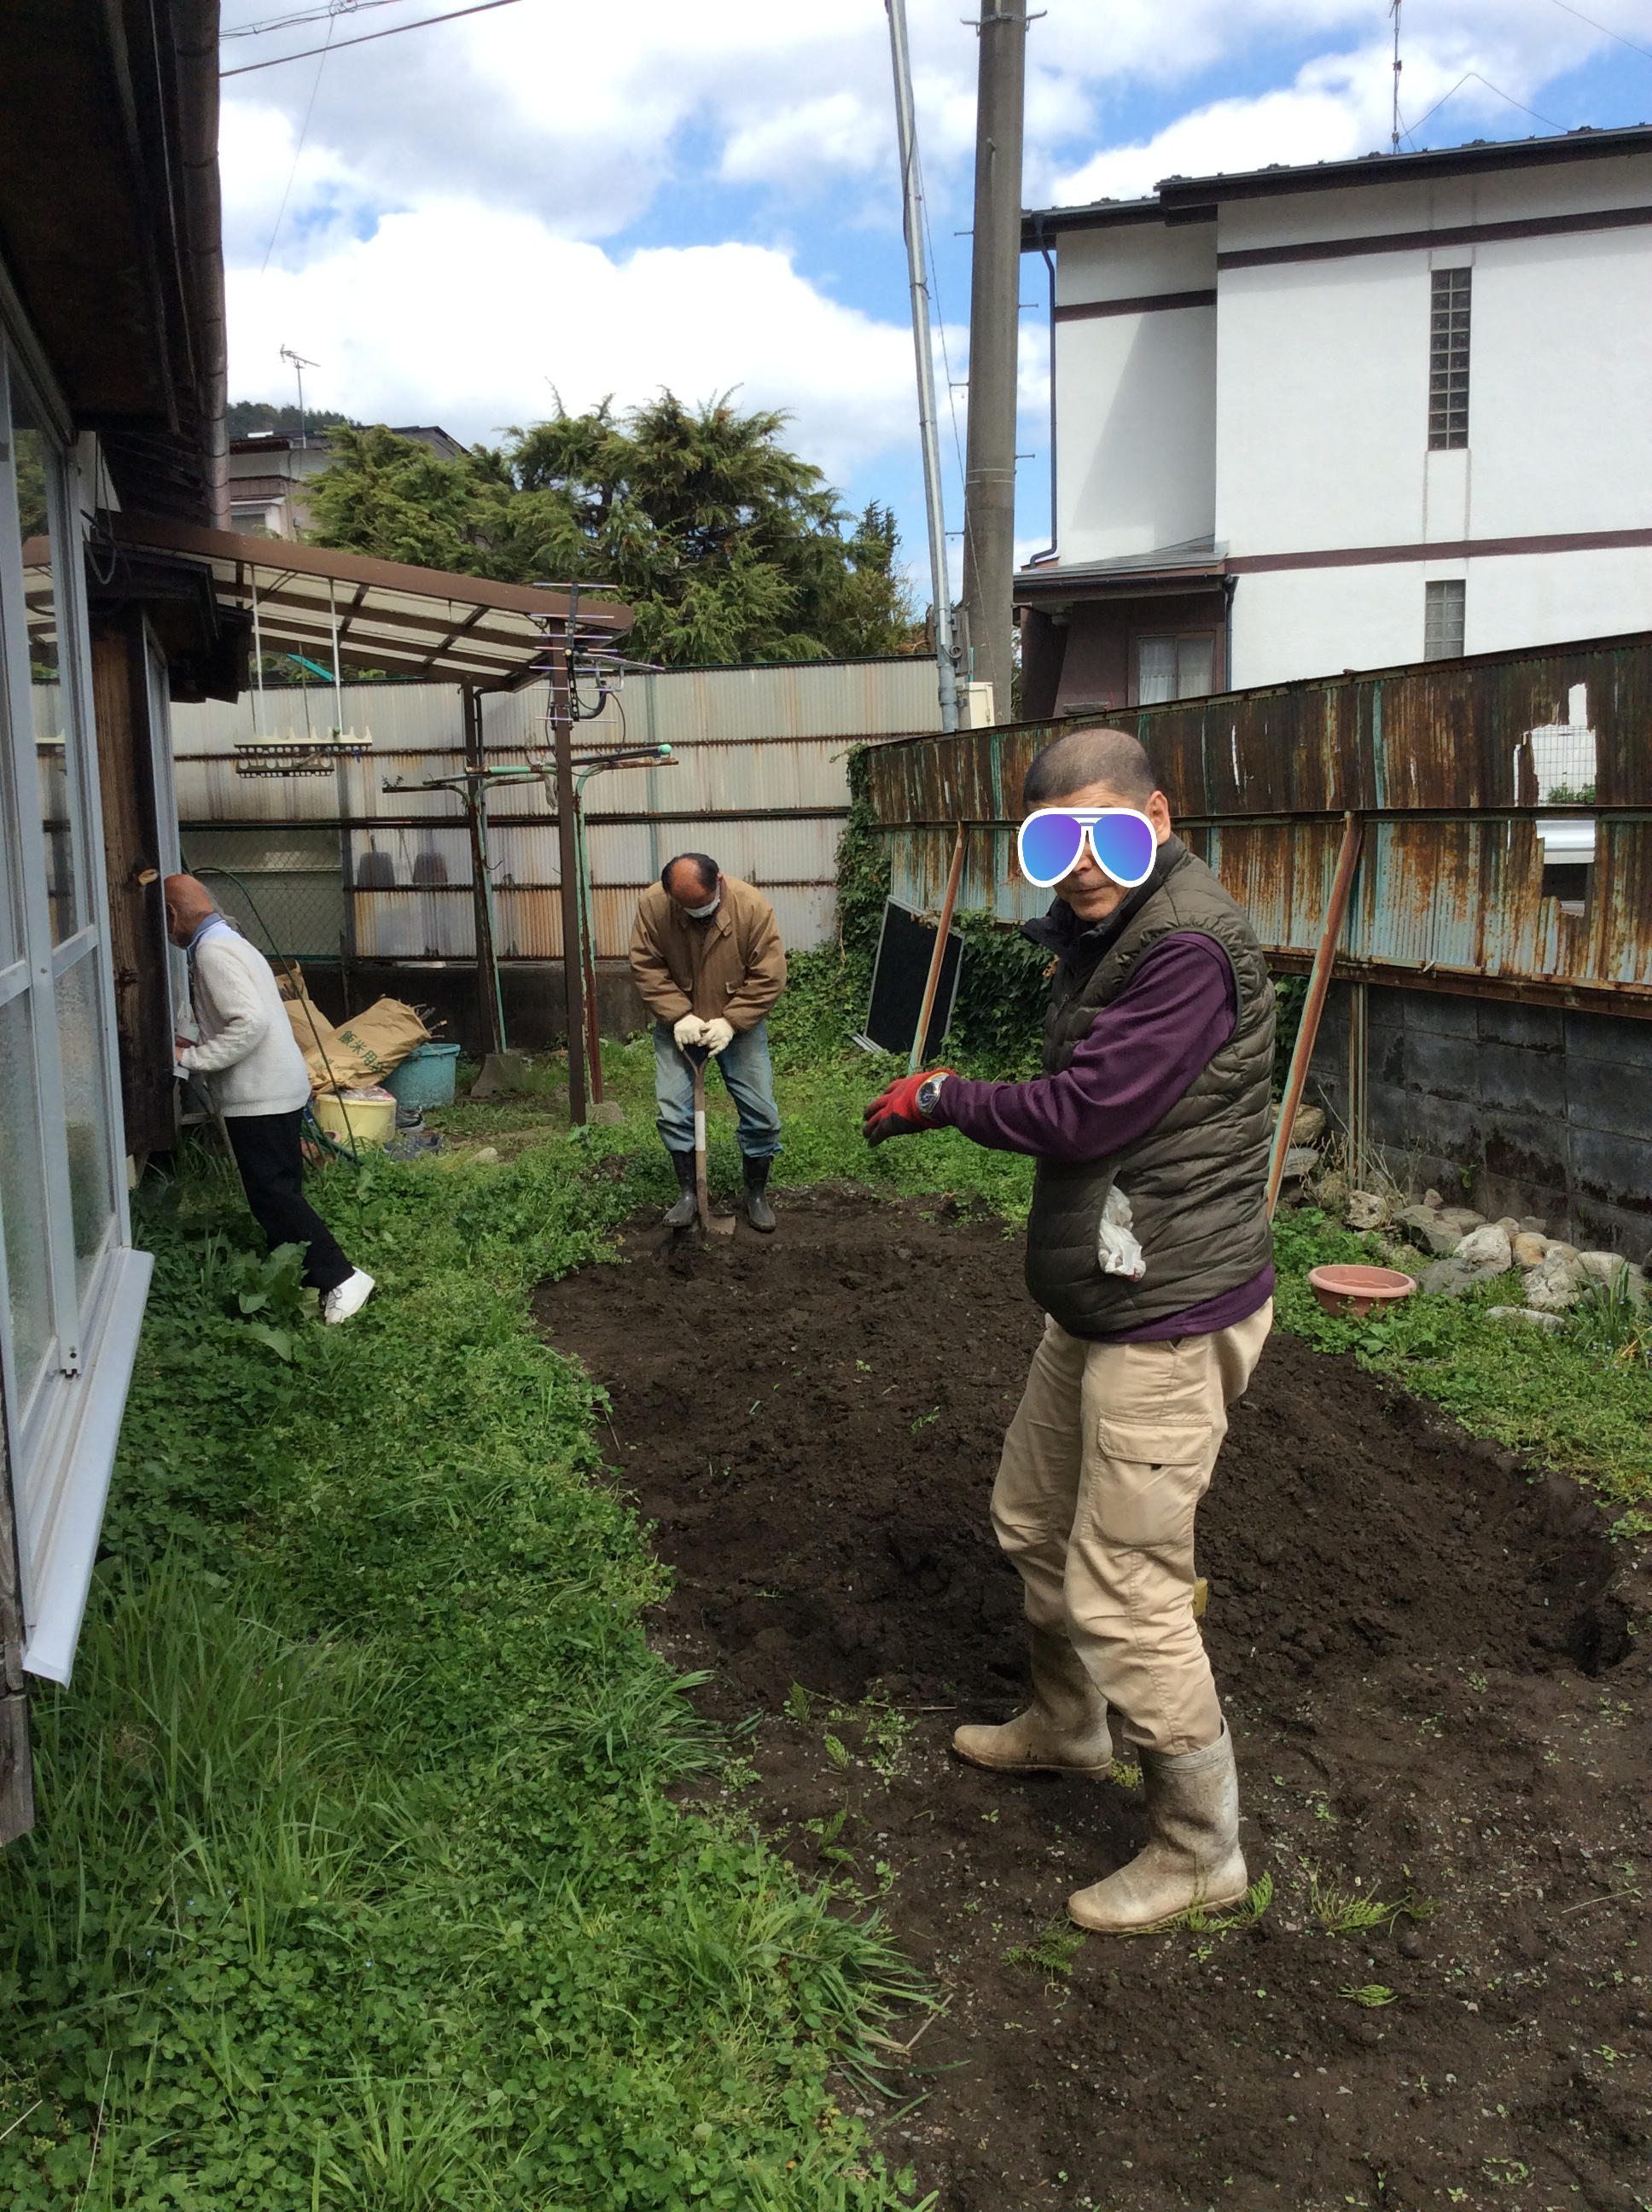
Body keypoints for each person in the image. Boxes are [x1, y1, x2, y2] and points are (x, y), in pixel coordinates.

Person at [863, 725, 1275, 1936]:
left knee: (1131, 1592)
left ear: (1158, 817)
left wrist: (945, 1095)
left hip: (1168, 1313)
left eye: (1107, 832)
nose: (1083, 863)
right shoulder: (1111, 931)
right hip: (1106, 1290)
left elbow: (1093, 1110)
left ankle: (1203, 1847)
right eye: (1056, 840)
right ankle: (1071, 1725)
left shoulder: (1189, 945)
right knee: (1031, 1520)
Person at [165, 874, 375, 1324]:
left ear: (171, 915)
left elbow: (250, 1021)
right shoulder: (231, 940)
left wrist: (197, 1057)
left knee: (273, 1196)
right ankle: (295, 1272)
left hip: (259, 1094)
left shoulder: (211, 951)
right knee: (281, 1190)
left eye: (166, 924)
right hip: (280, 1086)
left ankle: (339, 1277)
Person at [628, 854, 787, 1232]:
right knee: (672, 1108)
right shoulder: (653, 906)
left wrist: (732, 1022)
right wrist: (677, 1014)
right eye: (687, 908)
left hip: (737, 1024)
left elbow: (770, 974)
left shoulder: (752, 908)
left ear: (718, 880)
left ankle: (756, 1195)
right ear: (669, 894)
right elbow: (646, 965)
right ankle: (688, 1194)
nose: (698, 914)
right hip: (679, 1025)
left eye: (704, 905)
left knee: (761, 1111)